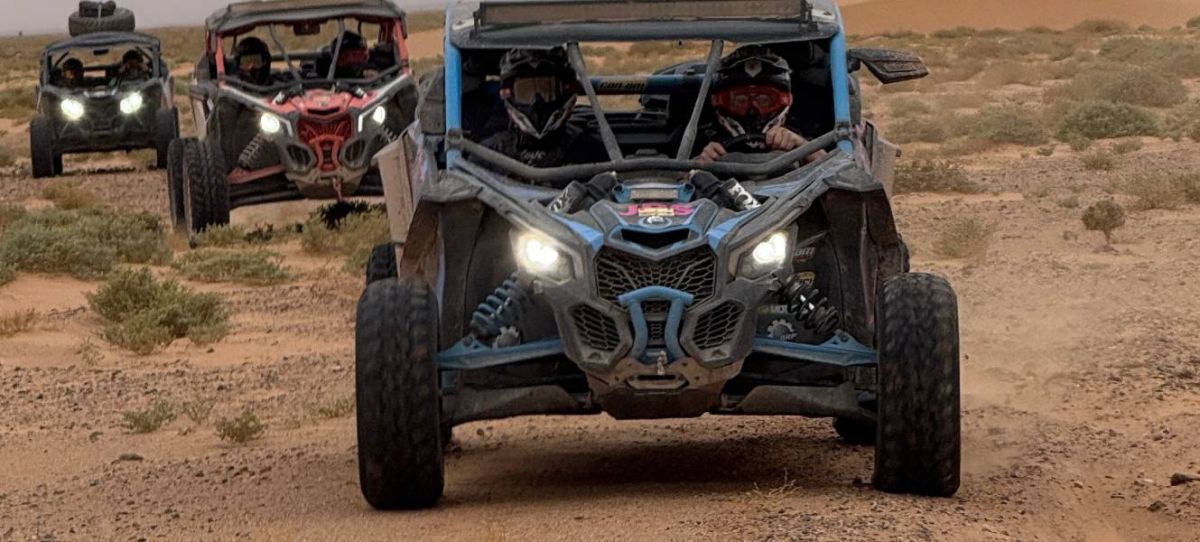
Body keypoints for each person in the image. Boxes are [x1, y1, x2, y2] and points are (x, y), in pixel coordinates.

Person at [478, 47, 607, 184]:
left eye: (547, 89)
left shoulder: (590, 151)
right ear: (510, 96)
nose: (537, 102)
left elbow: (626, 202)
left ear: (565, 92)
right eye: (526, 92)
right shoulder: (487, 155)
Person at [696, 45, 823, 164]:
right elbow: (678, 179)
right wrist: (700, 162)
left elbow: (833, 168)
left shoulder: (799, 132)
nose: (753, 110)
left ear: (785, 100)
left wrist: (802, 146)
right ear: (719, 101)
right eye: (741, 101)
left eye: (764, 100)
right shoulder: (701, 138)